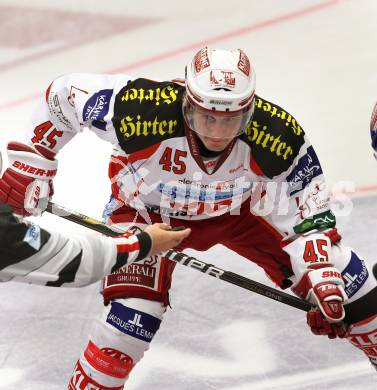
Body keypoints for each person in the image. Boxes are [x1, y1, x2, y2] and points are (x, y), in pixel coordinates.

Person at [0, 47, 376, 389]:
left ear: (249, 110)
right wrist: (35, 162)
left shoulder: (278, 133)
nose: (217, 132)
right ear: (186, 103)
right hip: (146, 213)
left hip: (241, 212)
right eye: (206, 117)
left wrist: (320, 274)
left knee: (356, 291)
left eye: (230, 120)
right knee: (127, 329)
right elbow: (64, 95)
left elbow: (310, 205)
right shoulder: (140, 108)